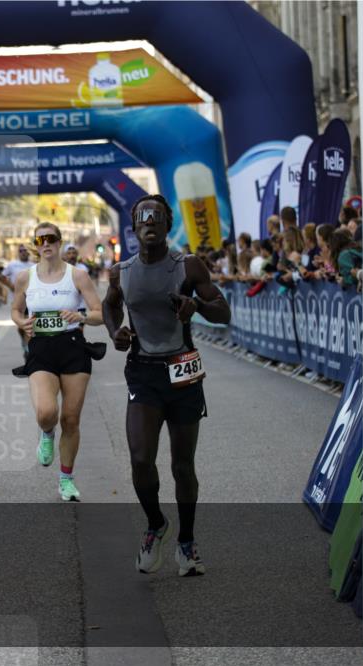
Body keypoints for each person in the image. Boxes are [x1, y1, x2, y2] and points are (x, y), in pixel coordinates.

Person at [102, 194, 231, 577]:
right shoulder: (121, 271)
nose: (150, 223)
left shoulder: (187, 265)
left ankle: (187, 542)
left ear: (168, 224)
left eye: (157, 217)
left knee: (182, 464)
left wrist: (198, 308)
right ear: (134, 226)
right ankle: (156, 523)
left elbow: (223, 312)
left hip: (182, 371)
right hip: (143, 370)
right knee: (141, 458)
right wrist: (116, 332)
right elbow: (111, 306)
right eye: (144, 217)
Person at [11, 223, 103, 502]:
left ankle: (66, 480)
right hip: (41, 348)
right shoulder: (25, 278)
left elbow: (99, 313)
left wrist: (82, 317)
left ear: (60, 242)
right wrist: (21, 322)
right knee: (46, 412)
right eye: (40, 239)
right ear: (35, 245)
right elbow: (15, 309)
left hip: (73, 347)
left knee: (71, 419)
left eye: (51, 239)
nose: (46, 243)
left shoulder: (78, 276)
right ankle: (47, 433)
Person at [2, 244, 37, 358]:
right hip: (16, 299)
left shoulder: (33, 265)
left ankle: (28, 350)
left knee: (28, 324)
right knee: (20, 327)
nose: (23, 252)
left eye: (25, 250)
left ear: (29, 252)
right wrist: (11, 286)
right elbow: (2, 276)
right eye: (21, 250)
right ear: (18, 252)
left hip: (30, 299)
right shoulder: (12, 264)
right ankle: (24, 341)